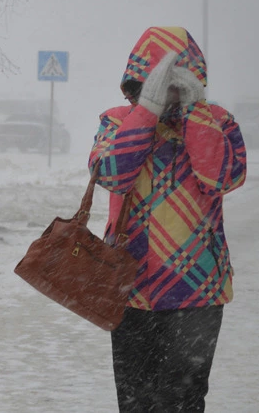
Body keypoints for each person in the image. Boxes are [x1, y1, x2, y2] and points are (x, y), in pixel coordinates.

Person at [88, 26, 247, 412]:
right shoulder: (117, 121)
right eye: (162, 83)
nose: (171, 91)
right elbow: (112, 173)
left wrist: (195, 110)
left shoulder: (218, 122)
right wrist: (148, 109)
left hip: (198, 290)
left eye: (180, 84)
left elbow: (220, 178)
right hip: (129, 286)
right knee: (136, 401)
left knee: (185, 401)